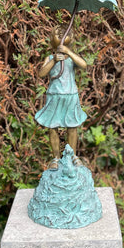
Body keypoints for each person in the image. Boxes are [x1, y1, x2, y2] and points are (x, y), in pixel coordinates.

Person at [35, 25, 88, 170]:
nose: (62, 35)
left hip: (70, 96)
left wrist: (68, 53)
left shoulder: (71, 58)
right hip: (55, 96)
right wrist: (54, 61)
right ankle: (56, 158)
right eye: (58, 34)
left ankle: (72, 155)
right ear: (52, 39)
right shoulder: (51, 58)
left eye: (65, 33)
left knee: (72, 126)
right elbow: (41, 73)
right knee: (53, 127)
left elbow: (84, 65)